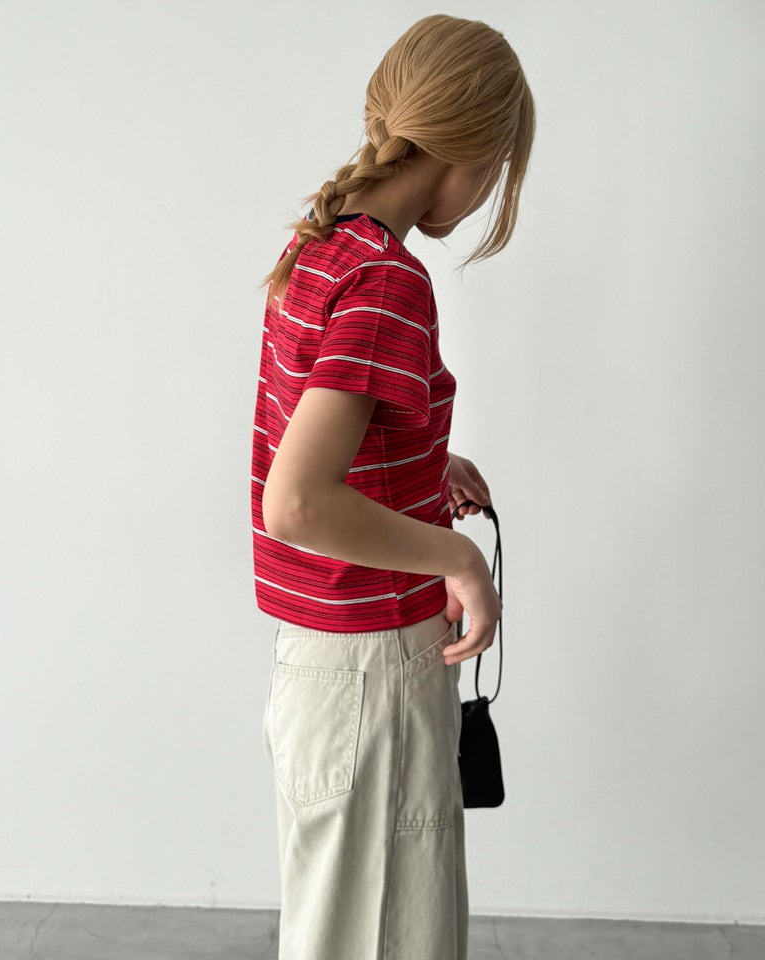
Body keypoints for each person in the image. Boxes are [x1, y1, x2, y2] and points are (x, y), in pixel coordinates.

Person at [251, 13, 535, 960]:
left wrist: (419, 461)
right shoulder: (388, 278)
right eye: (499, 167)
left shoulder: (324, 246)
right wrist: (460, 559)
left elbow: (318, 442)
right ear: (470, 149)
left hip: (330, 668)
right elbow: (298, 502)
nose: (491, 190)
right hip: (371, 676)